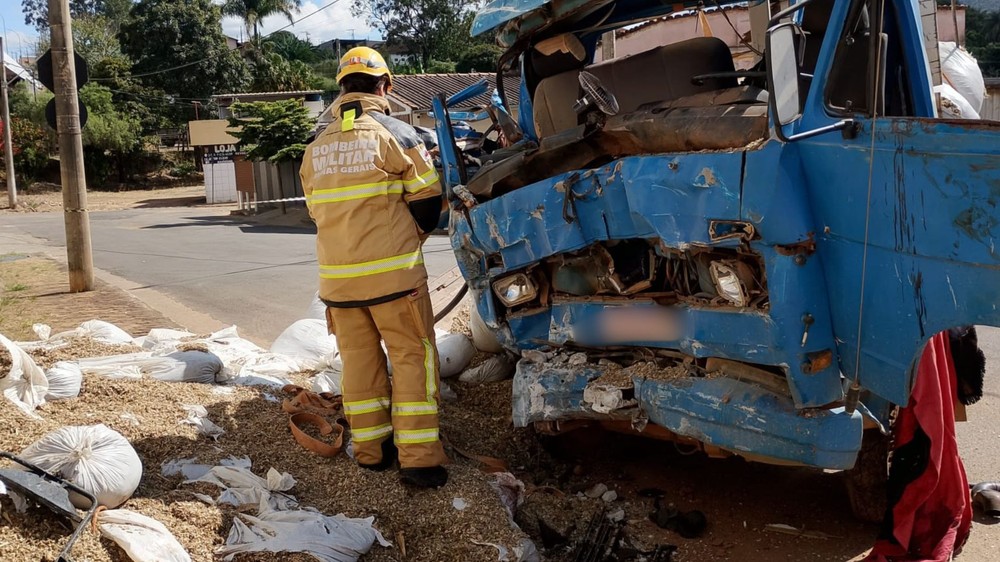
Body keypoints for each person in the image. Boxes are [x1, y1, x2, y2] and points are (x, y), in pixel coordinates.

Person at [299, 47, 449, 488]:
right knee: (411, 360)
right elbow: (427, 203)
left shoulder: (315, 147)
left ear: (342, 89)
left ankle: (371, 452)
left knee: (359, 363)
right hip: (395, 280)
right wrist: (410, 237)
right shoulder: (398, 134)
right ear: (385, 86)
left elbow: (317, 212)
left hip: (338, 286)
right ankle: (419, 461)